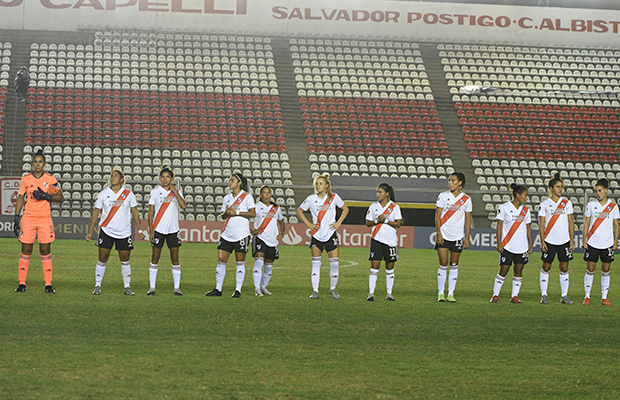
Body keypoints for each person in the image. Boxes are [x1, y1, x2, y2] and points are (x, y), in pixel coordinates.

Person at [85, 167, 146, 295]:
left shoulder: (128, 194)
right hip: (106, 231)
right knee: (102, 259)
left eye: (116, 176)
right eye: (111, 175)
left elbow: (135, 212)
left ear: (121, 179)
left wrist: (140, 229)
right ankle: (97, 285)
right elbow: (96, 213)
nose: (112, 178)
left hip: (124, 232)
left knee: (125, 260)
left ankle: (127, 287)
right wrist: (90, 231)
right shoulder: (103, 194)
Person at [13, 149, 65, 293]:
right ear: (32, 164)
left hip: (44, 219)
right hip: (28, 218)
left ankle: (48, 285)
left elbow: (61, 197)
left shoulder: (50, 179)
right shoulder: (26, 179)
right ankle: (22, 284)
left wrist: (46, 196)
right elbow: (20, 199)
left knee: (45, 250)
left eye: (40, 162)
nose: (37, 164)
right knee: (26, 250)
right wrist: (16, 217)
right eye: (35, 161)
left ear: (45, 164)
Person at [297, 173, 349, 299]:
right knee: (316, 264)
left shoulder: (334, 197)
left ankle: (333, 289)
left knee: (335, 264)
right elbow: (299, 211)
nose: (318, 186)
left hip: (331, 235)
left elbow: (345, 209)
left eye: (320, 184)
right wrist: (309, 224)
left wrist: (338, 223)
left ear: (326, 186)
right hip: (317, 235)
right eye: (316, 184)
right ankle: (315, 291)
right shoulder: (310, 199)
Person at [206, 173, 256, 298]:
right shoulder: (227, 197)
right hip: (227, 233)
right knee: (221, 260)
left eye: (232, 180)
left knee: (240, 262)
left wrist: (236, 212)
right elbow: (224, 214)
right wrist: (226, 213)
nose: (230, 182)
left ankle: (238, 290)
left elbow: (253, 213)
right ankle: (218, 288)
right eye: (230, 180)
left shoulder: (247, 197)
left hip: (241, 234)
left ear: (239, 183)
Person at [147, 165, 187, 296]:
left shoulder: (176, 191)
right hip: (158, 229)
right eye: (163, 177)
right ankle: (152, 287)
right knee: (155, 257)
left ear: (172, 178)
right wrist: (151, 231)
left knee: (175, 258)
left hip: (173, 230)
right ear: (159, 178)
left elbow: (183, 206)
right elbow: (151, 212)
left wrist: (175, 191)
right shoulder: (155, 192)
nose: (165, 179)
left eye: (167, 177)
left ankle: (177, 288)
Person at [490, 183, 533, 303]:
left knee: (518, 270)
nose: (526, 198)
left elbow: (528, 228)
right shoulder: (504, 207)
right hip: (508, 245)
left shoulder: (526, 210)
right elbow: (499, 225)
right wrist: (499, 242)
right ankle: (495, 295)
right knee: (503, 270)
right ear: (518, 195)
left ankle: (515, 296)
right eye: (525, 195)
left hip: (522, 246)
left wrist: (530, 243)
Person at [538, 173, 575, 305]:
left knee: (564, 267)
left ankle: (564, 296)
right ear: (551, 188)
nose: (560, 189)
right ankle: (544, 294)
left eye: (561, 187)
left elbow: (571, 222)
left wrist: (572, 239)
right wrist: (542, 241)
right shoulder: (545, 204)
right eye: (558, 187)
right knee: (546, 266)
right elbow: (541, 223)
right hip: (549, 240)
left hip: (564, 240)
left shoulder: (567, 203)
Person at [435, 172, 472, 302]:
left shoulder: (466, 199)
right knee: (443, 263)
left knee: (454, 264)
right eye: (450, 180)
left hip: (457, 236)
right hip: (444, 234)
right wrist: (438, 233)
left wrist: (467, 237)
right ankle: (441, 293)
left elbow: (468, 219)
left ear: (460, 183)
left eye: (453, 180)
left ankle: (451, 293)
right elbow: (438, 216)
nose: (450, 183)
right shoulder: (443, 196)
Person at [582, 178, 620, 306]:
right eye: (596, 191)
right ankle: (587, 296)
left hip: (607, 243)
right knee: (590, 269)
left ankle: (604, 297)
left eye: (600, 190)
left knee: (606, 270)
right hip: (593, 242)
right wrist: (584, 239)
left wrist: (615, 242)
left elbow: (616, 225)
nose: (598, 193)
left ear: (606, 191)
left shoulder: (613, 207)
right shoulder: (591, 205)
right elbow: (586, 223)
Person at [365, 183, 402, 301]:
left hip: (390, 241)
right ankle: (371, 293)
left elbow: (398, 224)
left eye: (380, 192)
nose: (378, 194)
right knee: (374, 267)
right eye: (377, 192)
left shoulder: (394, 207)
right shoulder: (373, 206)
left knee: (389, 267)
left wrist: (385, 221)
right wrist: (377, 220)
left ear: (387, 194)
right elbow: (368, 223)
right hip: (376, 240)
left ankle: (389, 293)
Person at [251, 185, 285, 297]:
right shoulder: (256, 206)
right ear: (260, 195)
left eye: (268, 192)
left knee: (269, 266)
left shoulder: (276, 208)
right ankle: (257, 288)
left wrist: (281, 233)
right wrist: (251, 230)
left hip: (273, 240)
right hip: (260, 238)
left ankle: (264, 287)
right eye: (264, 193)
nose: (267, 195)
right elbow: (244, 218)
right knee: (259, 261)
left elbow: (281, 221)